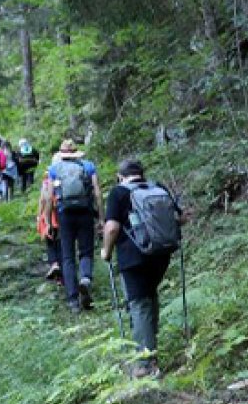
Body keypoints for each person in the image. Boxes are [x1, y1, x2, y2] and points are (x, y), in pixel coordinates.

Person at [101, 158, 181, 378]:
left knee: (139, 304)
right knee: (149, 297)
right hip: (161, 253)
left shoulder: (119, 192)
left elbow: (112, 228)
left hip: (133, 256)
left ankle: (145, 363)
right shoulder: (159, 188)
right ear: (142, 173)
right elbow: (179, 218)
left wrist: (106, 252)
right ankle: (150, 349)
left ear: (120, 176)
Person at [42, 139, 101, 312]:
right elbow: (97, 192)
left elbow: (48, 197)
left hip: (64, 214)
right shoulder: (88, 166)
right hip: (85, 211)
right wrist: (102, 217)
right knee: (86, 250)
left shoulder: (54, 169)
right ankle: (85, 278)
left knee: (67, 257)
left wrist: (48, 221)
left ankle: (73, 299)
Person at [35, 161, 62, 281]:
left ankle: (54, 264)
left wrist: (39, 215)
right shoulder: (65, 177)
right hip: (62, 214)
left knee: (50, 242)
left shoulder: (47, 180)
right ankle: (62, 273)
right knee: (61, 243)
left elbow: (43, 199)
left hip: (49, 215)